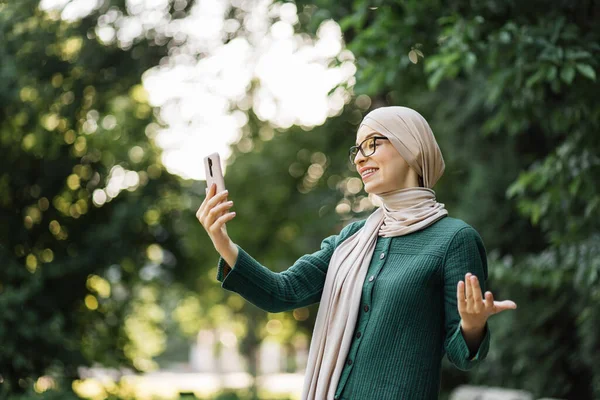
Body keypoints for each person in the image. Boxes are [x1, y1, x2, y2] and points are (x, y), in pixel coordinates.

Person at [196, 106, 517, 400]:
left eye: (373, 144)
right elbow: (283, 291)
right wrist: (222, 241)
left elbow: (463, 355)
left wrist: (472, 326)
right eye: (357, 149)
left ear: (411, 146)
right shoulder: (352, 239)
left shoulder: (454, 240)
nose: (360, 158)